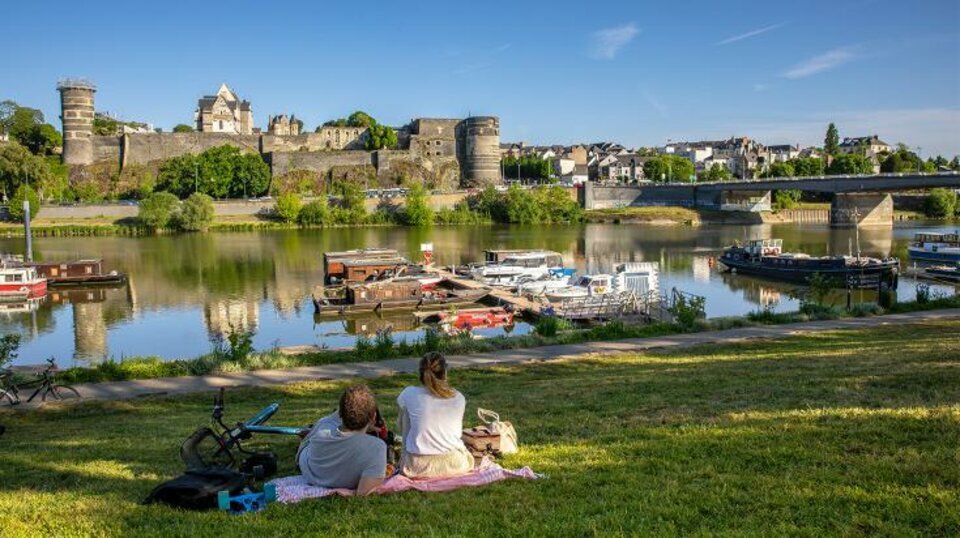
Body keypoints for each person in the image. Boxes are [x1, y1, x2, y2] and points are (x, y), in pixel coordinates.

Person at [296, 384, 386, 495]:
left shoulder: (322, 431)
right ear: (373, 416)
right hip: (314, 454)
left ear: (340, 413)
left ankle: (307, 433)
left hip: (310, 471)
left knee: (323, 424)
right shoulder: (377, 447)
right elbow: (364, 491)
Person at [396, 352, 474, 478]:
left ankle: (404, 457)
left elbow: (400, 427)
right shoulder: (459, 397)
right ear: (445, 372)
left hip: (417, 467)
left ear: (420, 373)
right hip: (455, 464)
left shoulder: (408, 394)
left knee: (405, 413)